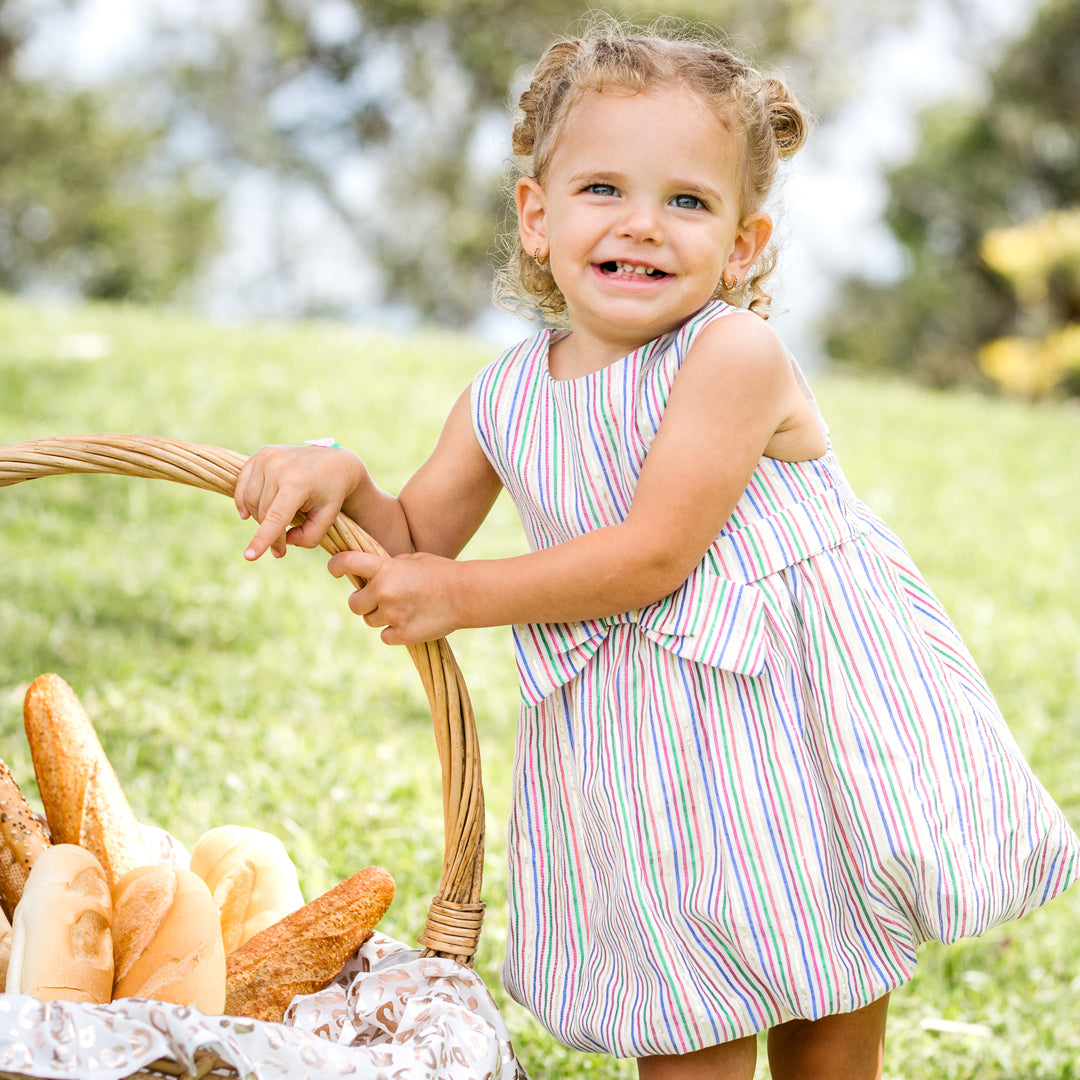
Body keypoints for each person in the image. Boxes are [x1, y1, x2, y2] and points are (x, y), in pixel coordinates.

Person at [233, 21, 1080, 1080]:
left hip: (782, 720)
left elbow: (652, 556)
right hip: (636, 759)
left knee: (825, 994)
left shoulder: (732, 355)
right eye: (602, 190)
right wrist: (342, 476)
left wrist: (455, 593)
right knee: (681, 1015)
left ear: (741, 244)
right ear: (536, 217)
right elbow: (414, 541)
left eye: (687, 201)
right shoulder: (504, 395)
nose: (644, 224)